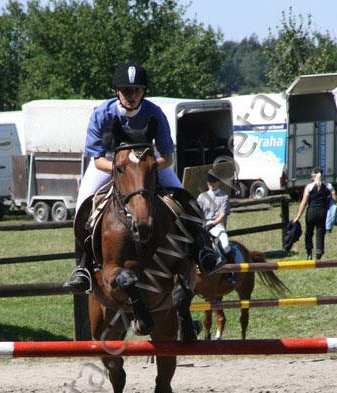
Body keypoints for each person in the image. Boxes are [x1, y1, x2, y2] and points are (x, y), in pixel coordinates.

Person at [65, 63, 222, 293]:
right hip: (109, 164)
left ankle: (204, 250)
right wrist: (124, 170)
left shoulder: (154, 113)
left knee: (185, 199)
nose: (132, 96)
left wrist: (143, 169)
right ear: (117, 91)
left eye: (137, 90)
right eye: (126, 90)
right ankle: (82, 267)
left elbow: (167, 157)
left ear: (143, 91)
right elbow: (97, 159)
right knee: (83, 207)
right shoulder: (101, 114)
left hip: (149, 162)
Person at [196, 172, 236, 283]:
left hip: (217, 226)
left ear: (218, 183)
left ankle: (232, 273)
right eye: (210, 182)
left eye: (214, 182)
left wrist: (212, 224)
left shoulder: (224, 197)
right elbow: (197, 212)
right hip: (204, 226)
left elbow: (222, 215)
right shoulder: (201, 197)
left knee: (226, 245)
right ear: (207, 183)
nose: (212, 184)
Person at [293, 167, 337, 260]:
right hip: (322, 213)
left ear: (314, 176)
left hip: (311, 212)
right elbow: (335, 199)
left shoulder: (309, 187)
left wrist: (298, 216)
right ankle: (319, 253)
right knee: (320, 232)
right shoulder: (328, 186)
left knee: (309, 233)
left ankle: (309, 253)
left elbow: (304, 202)